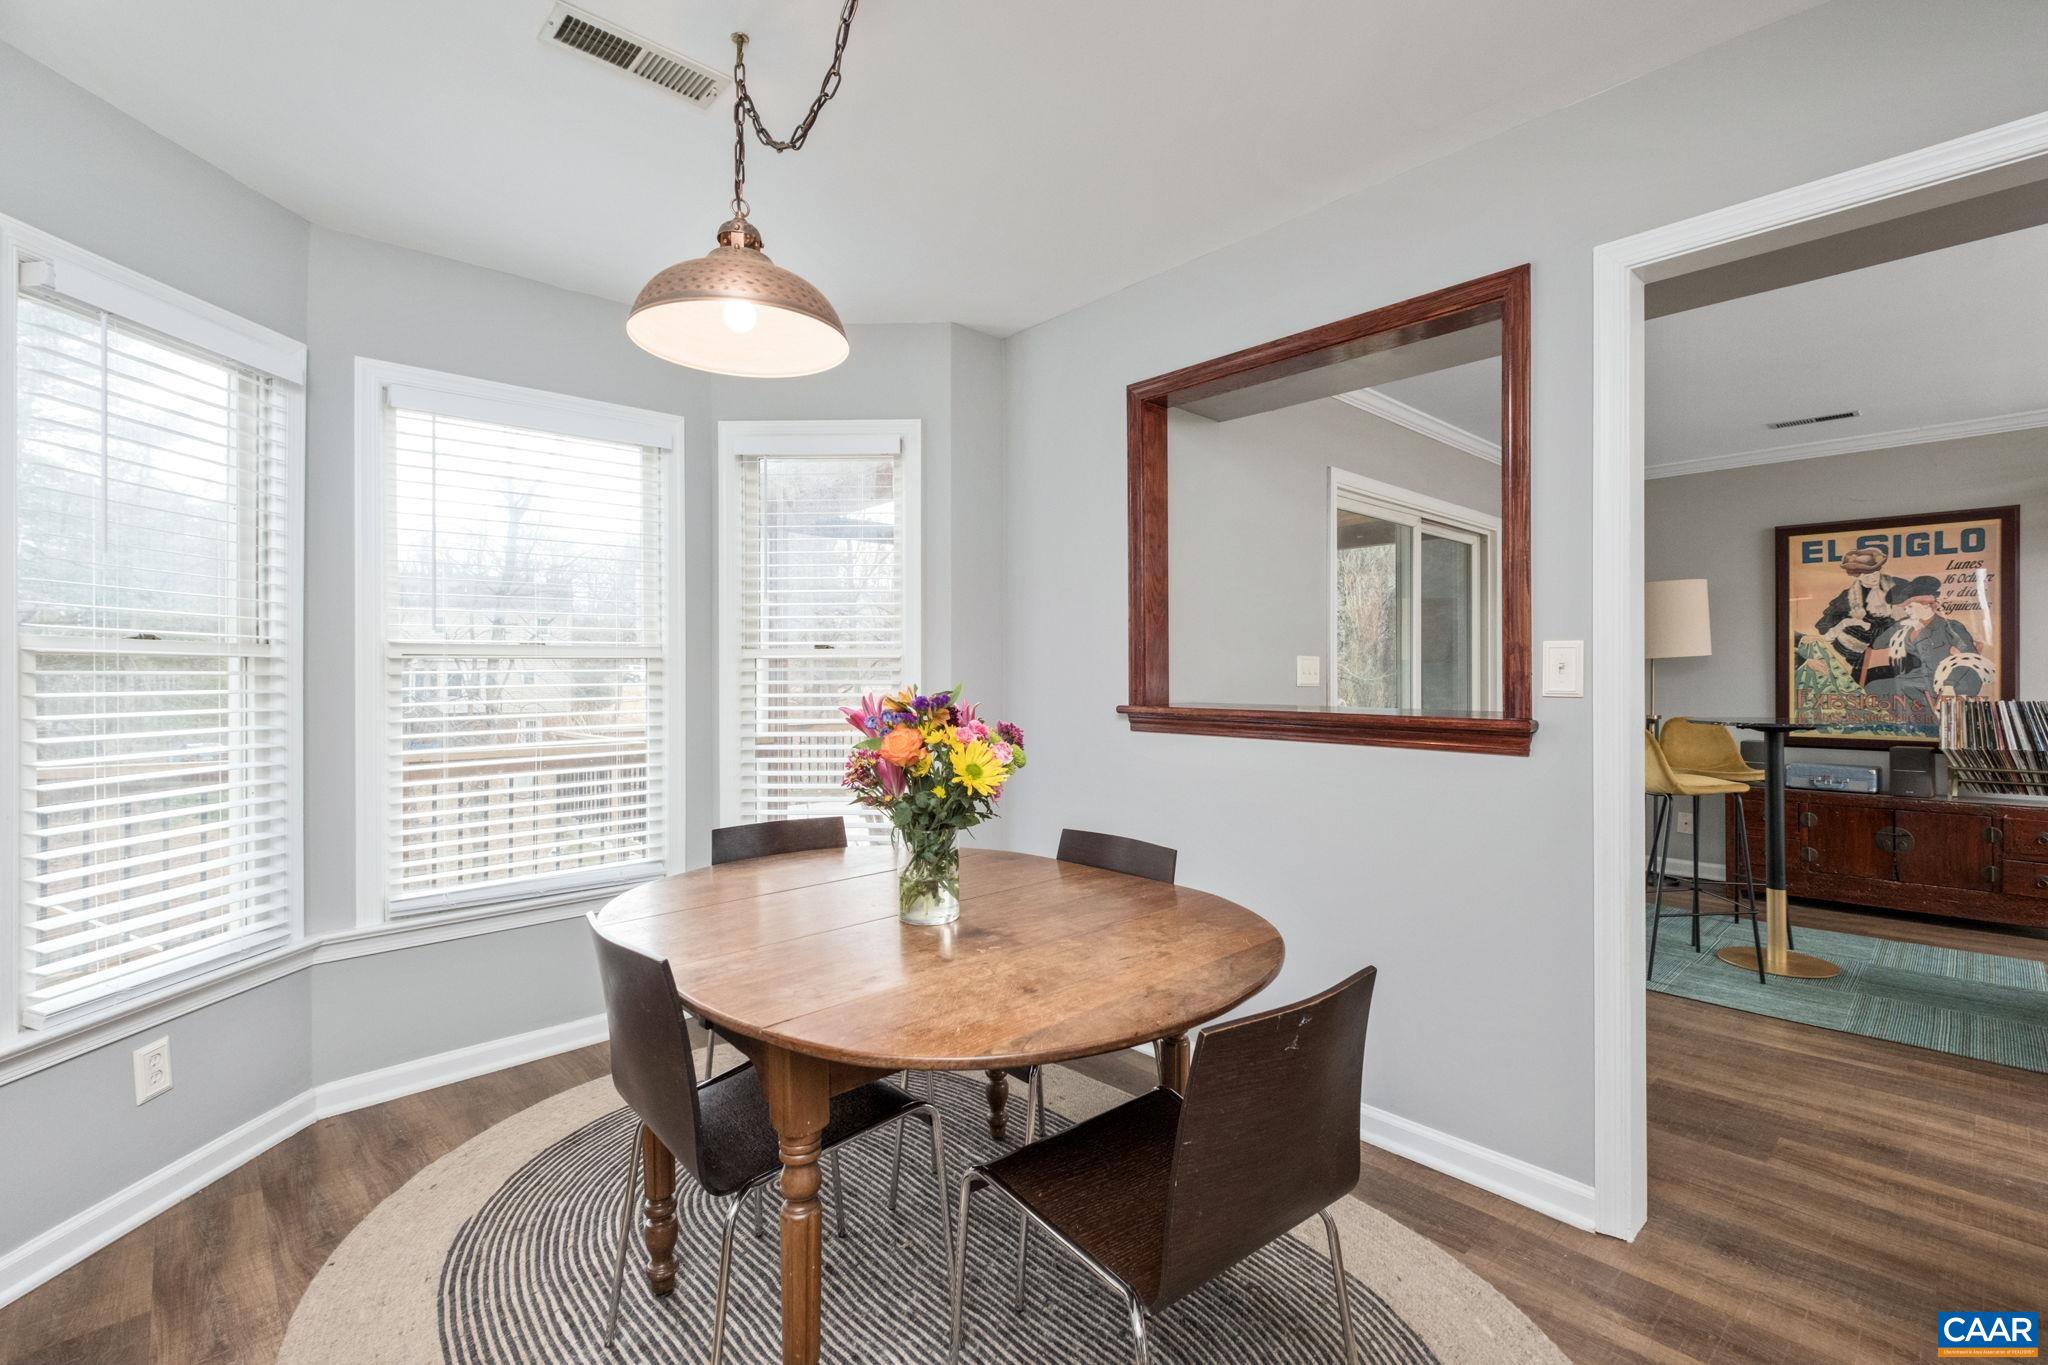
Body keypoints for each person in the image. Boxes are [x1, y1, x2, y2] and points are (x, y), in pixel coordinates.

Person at [1862, 575, 1978, 723]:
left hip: (1946, 679)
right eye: (1905, 608)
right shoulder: (1906, 627)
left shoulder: (1950, 626)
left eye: (1910, 607)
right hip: (1917, 677)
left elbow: (1969, 658)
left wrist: (1950, 684)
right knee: (1874, 686)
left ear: (1926, 605)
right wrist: (1897, 626)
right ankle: (1911, 723)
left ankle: (1925, 725)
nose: (1907, 611)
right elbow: (1878, 644)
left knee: (1903, 686)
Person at [1808, 546, 1898, 682]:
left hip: (1895, 648)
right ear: (1857, 575)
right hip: (1861, 653)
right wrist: (1848, 622)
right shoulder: (1848, 596)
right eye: (1867, 574)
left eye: (1876, 572)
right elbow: (1824, 627)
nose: (1873, 577)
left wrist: (1873, 627)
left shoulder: (1896, 586)